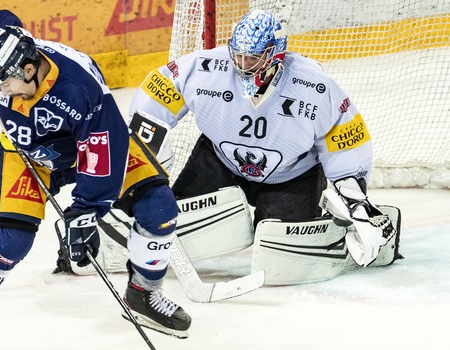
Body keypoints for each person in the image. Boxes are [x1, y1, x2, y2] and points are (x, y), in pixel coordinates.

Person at [0, 16, 191, 350]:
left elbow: (103, 153)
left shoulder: (80, 89)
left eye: (3, 86)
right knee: (8, 242)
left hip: (90, 147)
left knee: (159, 208)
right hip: (28, 155)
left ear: (27, 70)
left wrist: (86, 211)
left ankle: (144, 292)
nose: (0, 96)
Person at [128, 10, 395, 267]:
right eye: (239, 56)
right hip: (220, 162)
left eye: (253, 58)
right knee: (173, 223)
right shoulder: (206, 68)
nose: (243, 66)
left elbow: (346, 141)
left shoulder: (315, 86)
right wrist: (139, 164)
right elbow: (159, 91)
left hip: (292, 175)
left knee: (281, 255)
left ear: (275, 54)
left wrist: (356, 202)